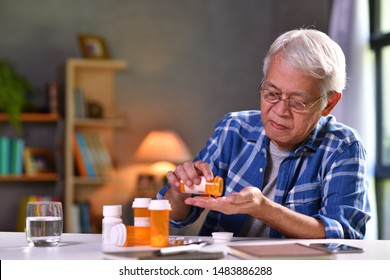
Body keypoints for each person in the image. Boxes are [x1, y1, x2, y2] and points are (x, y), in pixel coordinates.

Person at [157, 28, 371, 239]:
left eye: (297, 102)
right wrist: (179, 192)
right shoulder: (234, 129)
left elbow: (344, 234)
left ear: (329, 103)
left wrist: (263, 208)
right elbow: (174, 216)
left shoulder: (343, 146)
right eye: (272, 93)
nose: (280, 111)